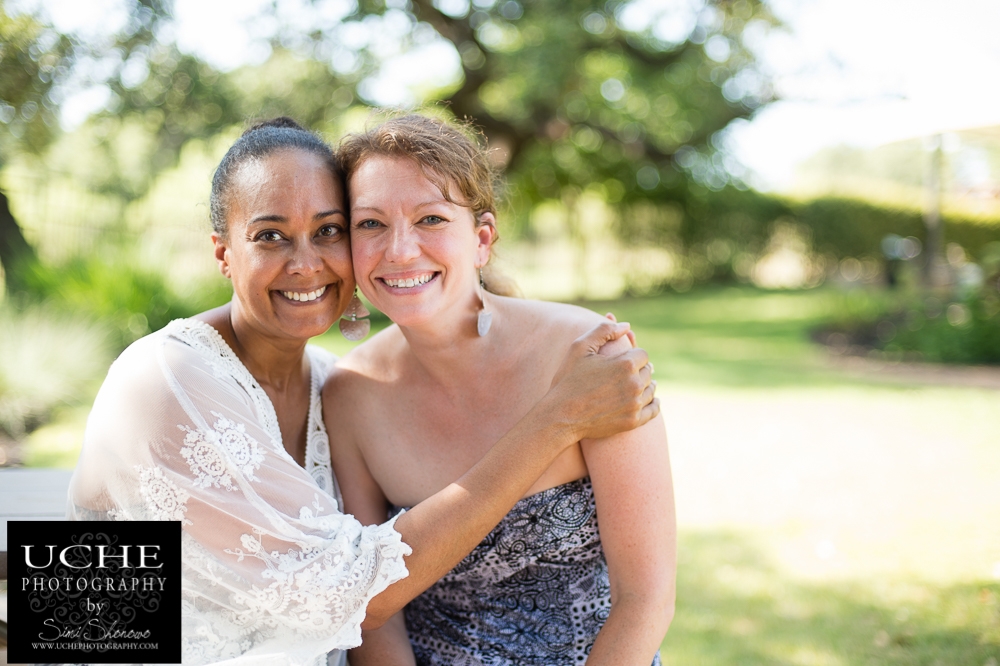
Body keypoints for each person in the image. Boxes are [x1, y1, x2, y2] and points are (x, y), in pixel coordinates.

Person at [67, 118, 659, 666]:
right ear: (224, 252)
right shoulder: (169, 378)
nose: (306, 263)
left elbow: (647, 598)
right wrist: (555, 421)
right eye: (271, 236)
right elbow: (355, 599)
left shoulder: (328, 381)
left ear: (481, 238)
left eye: (328, 231)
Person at [326, 115, 676, 666]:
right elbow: (373, 614)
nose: (398, 250)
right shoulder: (348, 394)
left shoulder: (591, 356)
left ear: (482, 238)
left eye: (431, 218)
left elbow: (646, 601)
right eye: (370, 224)